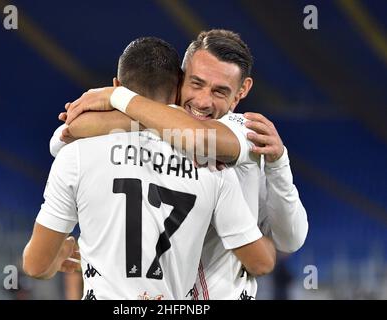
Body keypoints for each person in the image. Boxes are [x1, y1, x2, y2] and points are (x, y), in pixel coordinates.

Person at [56, 29, 308, 299]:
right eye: (196, 83)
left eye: (220, 91)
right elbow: (65, 133)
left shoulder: (241, 130)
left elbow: (290, 239)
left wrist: (118, 99)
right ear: (180, 77)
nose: (202, 101)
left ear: (241, 91)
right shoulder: (156, 120)